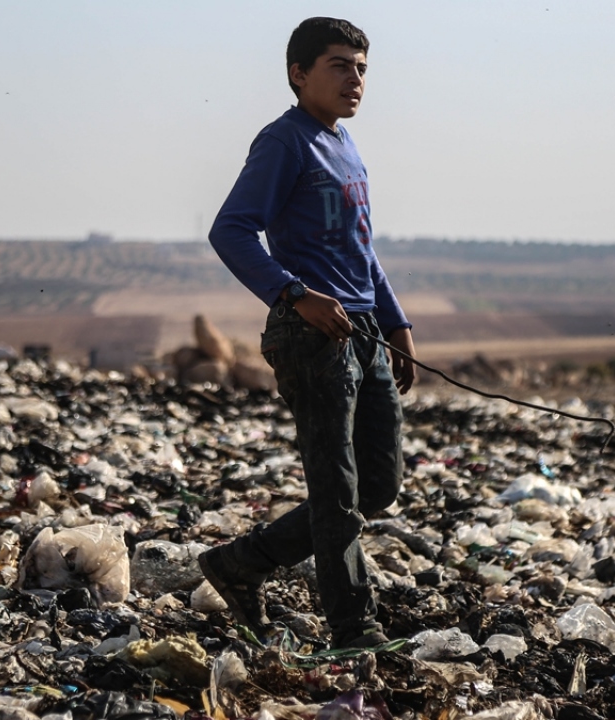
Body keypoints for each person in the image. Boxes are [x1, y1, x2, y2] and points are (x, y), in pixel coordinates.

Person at [200, 16, 417, 650]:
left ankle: (241, 563)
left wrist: (396, 321)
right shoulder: (284, 142)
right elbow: (231, 230)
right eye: (340, 65)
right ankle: (355, 628)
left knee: (378, 485)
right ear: (299, 73)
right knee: (335, 487)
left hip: (365, 330)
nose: (355, 79)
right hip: (313, 336)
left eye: (362, 68)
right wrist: (294, 294)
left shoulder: (344, 144)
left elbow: (362, 249)